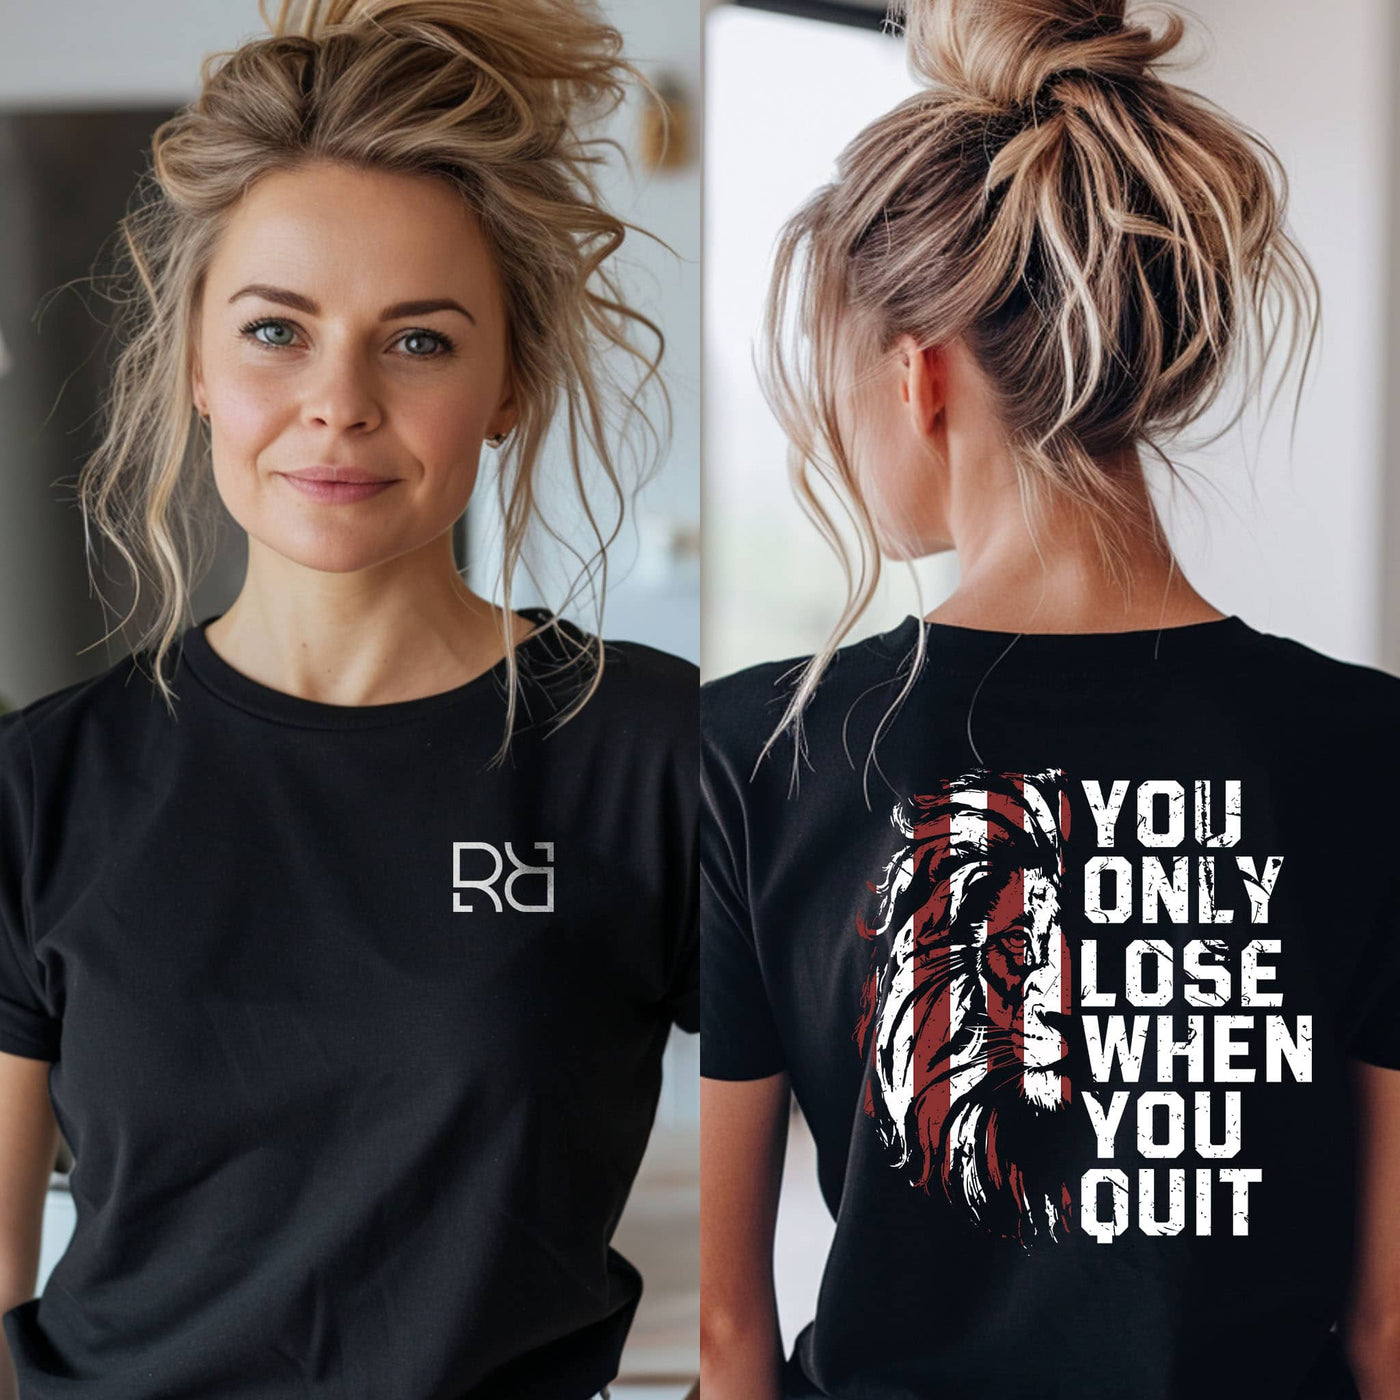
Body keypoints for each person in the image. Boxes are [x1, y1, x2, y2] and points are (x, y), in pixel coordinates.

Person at [699, 2, 1400, 1398]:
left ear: (919, 375)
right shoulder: (1368, 748)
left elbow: (727, 1336)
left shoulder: (758, 752)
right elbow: (1388, 1326)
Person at [0, 3, 697, 1398]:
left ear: (509, 384)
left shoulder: (657, 754)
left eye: (421, 342)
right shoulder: (44, 788)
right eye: (276, 331)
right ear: (199, 365)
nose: (338, 402)